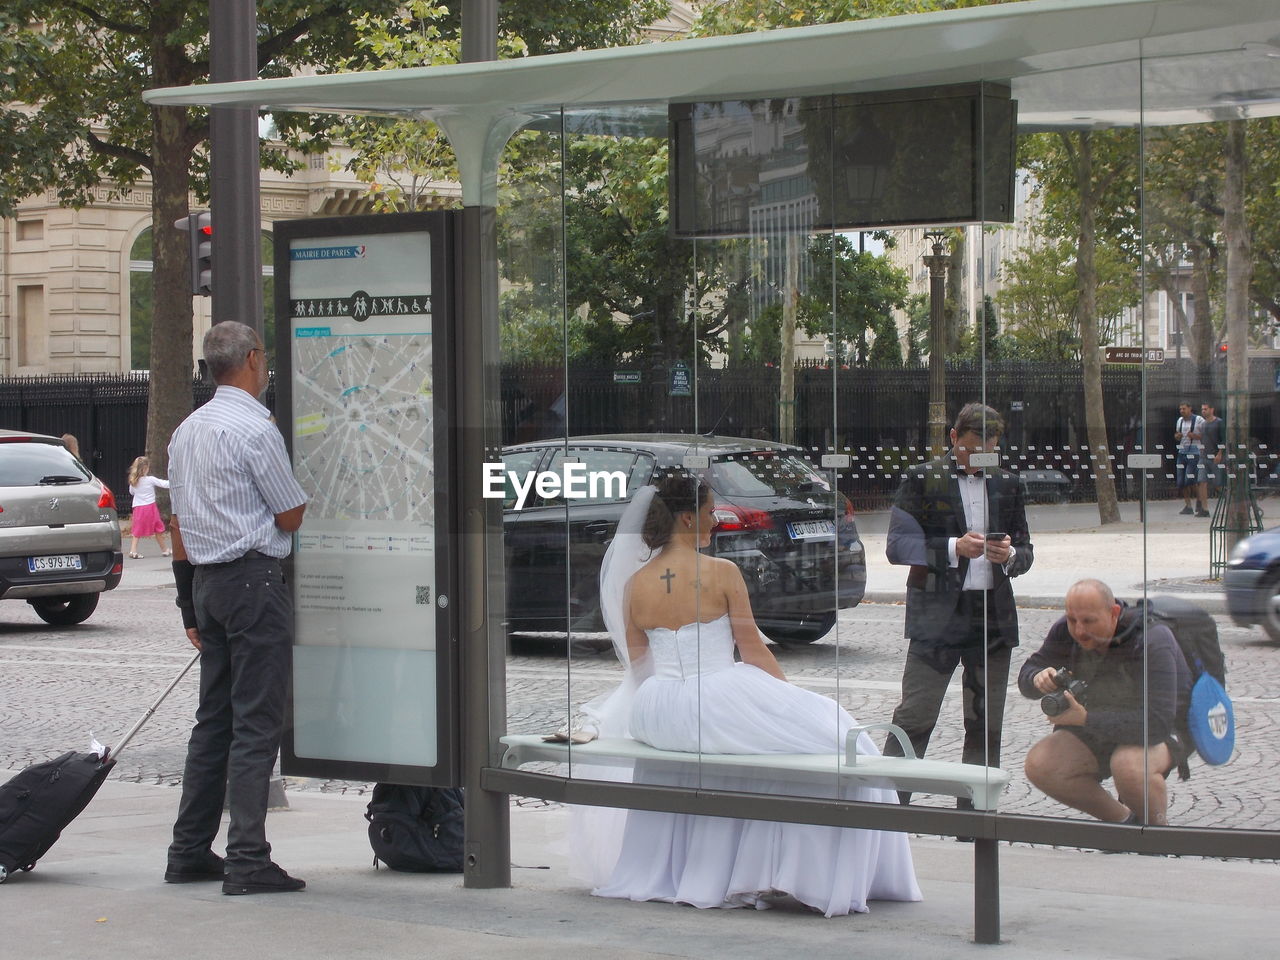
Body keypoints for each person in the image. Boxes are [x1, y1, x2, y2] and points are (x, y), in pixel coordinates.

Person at [582, 471, 920, 916]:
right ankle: (804, 870)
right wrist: (787, 700)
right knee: (836, 728)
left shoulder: (635, 583)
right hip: (715, 695)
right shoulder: (721, 572)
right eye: (708, 513)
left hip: (657, 706)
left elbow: (640, 666)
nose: (716, 521)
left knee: (788, 737)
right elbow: (754, 650)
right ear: (686, 519)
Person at [164, 321, 308, 896]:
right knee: (255, 723)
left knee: (213, 722)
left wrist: (187, 604)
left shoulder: (187, 431)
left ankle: (189, 849)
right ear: (252, 359)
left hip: (208, 585)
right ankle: (248, 857)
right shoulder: (254, 429)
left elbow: (177, 524)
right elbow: (290, 513)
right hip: (253, 582)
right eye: (264, 358)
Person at [883, 402, 1033, 800]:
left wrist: (1013, 556)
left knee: (986, 726)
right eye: (968, 450)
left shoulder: (1008, 483)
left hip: (992, 617)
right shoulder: (921, 479)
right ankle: (888, 811)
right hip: (937, 617)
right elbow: (898, 546)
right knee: (915, 715)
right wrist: (952, 547)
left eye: (985, 452)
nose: (975, 460)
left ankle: (974, 820)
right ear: (953, 438)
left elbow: (1026, 549)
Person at [1018, 579, 1190, 825]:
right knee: (1041, 764)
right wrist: (1037, 678)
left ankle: (1156, 836)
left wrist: (1085, 718)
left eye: (1089, 621)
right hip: (1100, 725)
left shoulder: (1152, 639)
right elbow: (1028, 672)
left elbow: (1157, 723)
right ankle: (1123, 825)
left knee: (1128, 767)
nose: (1079, 630)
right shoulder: (1065, 631)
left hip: (1165, 729)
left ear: (1114, 613)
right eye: (1072, 620)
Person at [126, 455, 171, 559]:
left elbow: (131, 493)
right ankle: (165, 549)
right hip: (150, 508)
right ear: (145, 468)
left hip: (138, 508)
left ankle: (133, 550)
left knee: (137, 530)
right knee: (157, 529)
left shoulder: (133, 481)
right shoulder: (150, 480)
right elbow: (164, 484)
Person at [1174, 401, 1208, 516]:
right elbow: (1177, 435)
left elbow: (1206, 435)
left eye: (1184, 409)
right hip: (1182, 452)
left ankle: (1199, 500)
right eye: (1180, 409)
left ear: (1190, 408)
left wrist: (1195, 436)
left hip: (1195, 452)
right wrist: (1177, 436)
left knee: (1190, 479)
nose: (1182, 411)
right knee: (1181, 482)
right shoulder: (1180, 421)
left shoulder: (1199, 420)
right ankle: (1188, 506)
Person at [1200, 402, 1224, 498]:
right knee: (1201, 482)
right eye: (1202, 409)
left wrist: (1219, 454)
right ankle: (1204, 509)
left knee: (1217, 483)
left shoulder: (1219, 422)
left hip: (1215, 456)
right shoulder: (1203, 424)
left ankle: (1225, 498)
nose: (1203, 411)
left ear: (1212, 410)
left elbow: (1223, 439)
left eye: (1205, 409)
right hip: (1204, 456)